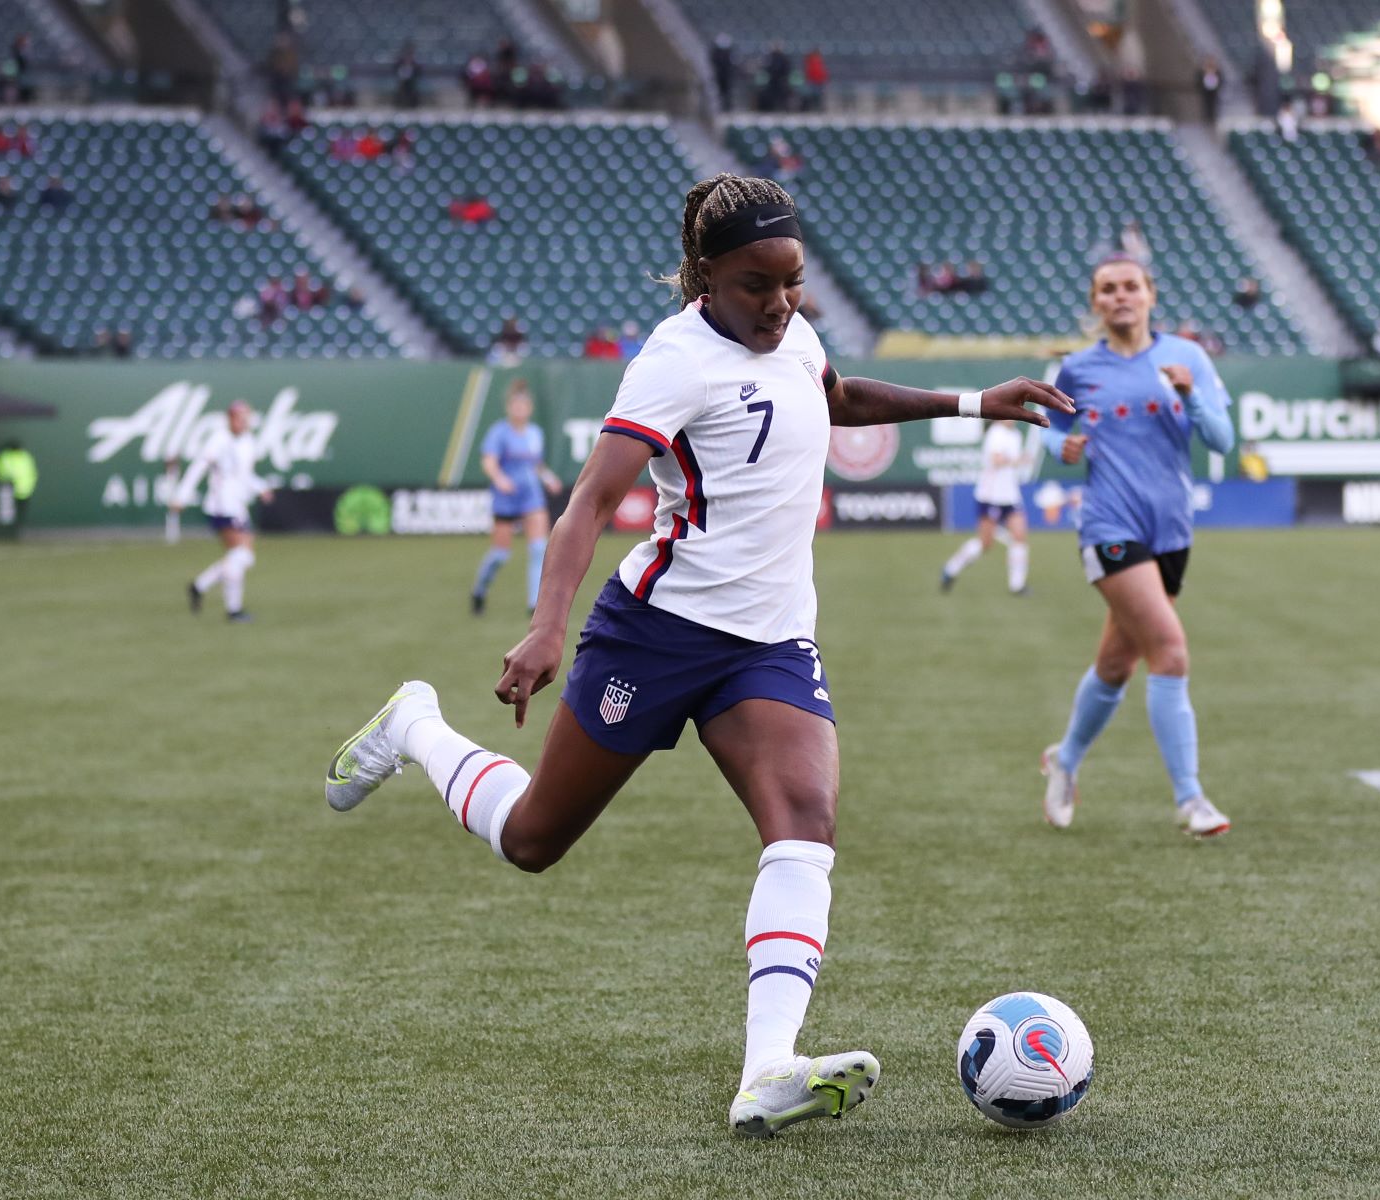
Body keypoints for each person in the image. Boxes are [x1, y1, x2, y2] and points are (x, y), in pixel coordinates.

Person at [323, 173, 1071, 1138]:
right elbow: (591, 502)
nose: (781, 302)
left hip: (768, 642)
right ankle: (415, 724)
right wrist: (548, 626)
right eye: (758, 283)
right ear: (706, 277)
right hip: (657, 632)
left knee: (805, 821)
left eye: (793, 281)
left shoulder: (793, 334)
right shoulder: (674, 362)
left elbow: (835, 398)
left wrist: (974, 401)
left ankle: (769, 1070)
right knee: (534, 841)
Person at [1039, 257, 1236, 840]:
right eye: (1107, 289)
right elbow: (1048, 427)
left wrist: (1191, 395)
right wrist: (1061, 448)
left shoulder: (1188, 358)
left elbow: (1223, 438)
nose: (1120, 296)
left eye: (1131, 286)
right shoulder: (1077, 369)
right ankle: (1191, 799)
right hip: (1109, 526)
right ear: (1095, 303)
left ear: (1151, 295)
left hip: (1171, 532)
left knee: (1118, 662)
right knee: (1169, 650)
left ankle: (1065, 760)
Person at [470, 379, 562, 616]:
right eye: (515, 405)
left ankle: (534, 604)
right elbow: (488, 461)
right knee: (500, 554)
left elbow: (536, 464)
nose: (520, 409)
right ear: (509, 407)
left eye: (524, 405)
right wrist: (500, 478)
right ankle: (479, 590)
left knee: (538, 548)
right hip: (506, 497)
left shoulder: (535, 433)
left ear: (529, 408)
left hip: (531, 496)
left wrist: (549, 478)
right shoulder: (499, 432)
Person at [174, 401, 272, 623]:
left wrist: (261, 487)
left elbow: (244, 475)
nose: (243, 422)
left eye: (246, 418)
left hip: (238, 505)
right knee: (242, 555)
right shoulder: (219, 440)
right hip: (222, 506)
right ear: (230, 419)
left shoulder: (248, 442)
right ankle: (231, 608)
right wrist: (182, 494)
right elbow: (199, 466)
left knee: (240, 557)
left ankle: (201, 587)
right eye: (238, 418)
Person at [940, 419, 1030, 595]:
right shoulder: (995, 433)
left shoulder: (1016, 435)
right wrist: (1019, 460)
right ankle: (952, 568)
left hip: (1011, 495)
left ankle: (1017, 585)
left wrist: (1018, 461)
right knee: (985, 543)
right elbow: (996, 460)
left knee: (1019, 536)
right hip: (991, 495)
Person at [0, 440, 38, 527]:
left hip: (23, 490)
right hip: (10, 490)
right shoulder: (7, 457)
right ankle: (9, 530)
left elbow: (31, 472)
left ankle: (17, 529)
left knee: (19, 513)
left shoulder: (24, 456)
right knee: (8, 513)